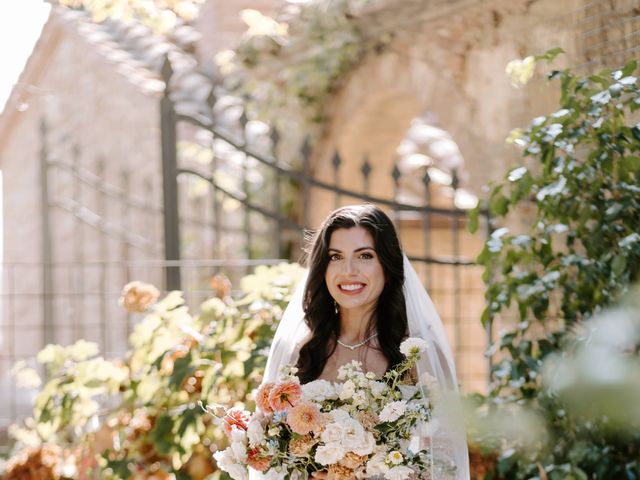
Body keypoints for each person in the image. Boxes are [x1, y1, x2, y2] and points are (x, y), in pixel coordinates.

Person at [260, 204, 470, 479]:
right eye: (336, 257)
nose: (349, 270)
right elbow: (275, 454)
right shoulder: (300, 352)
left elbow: (444, 464)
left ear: (387, 263)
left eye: (364, 256)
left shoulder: (416, 354)